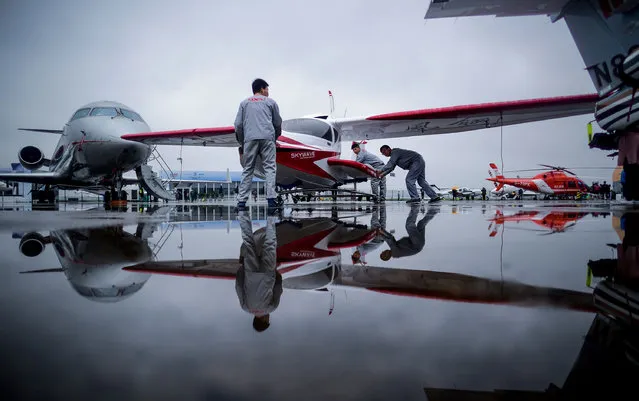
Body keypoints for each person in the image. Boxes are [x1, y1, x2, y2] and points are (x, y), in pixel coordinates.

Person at [234, 78, 282, 210]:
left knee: (248, 169)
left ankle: (241, 201)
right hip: (267, 138)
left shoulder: (244, 103)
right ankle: (271, 199)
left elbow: (238, 125)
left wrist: (243, 141)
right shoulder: (271, 103)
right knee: (270, 168)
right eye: (267, 89)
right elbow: (277, 123)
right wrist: (274, 137)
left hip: (250, 139)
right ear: (262, 89)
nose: (268, 92)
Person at [235, 210, 282, 333]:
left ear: (265, 321)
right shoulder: (245, 307)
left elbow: (278, 288)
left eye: (268, 320)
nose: (269, 318)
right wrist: (241, 268)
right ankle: (242, 213)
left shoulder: (271, 308)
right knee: (248, 242)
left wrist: (276, 273)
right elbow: (239, 286)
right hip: (250, 273)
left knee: (270, 243)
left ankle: (272, 214)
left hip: (268, 274)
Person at [377, 145, 442, 204]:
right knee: (421, 181)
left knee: (409, 179)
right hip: (419, 161)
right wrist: (383, 174)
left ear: (389, 149)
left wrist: (380, 171)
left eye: (384, 151)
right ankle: (435, 197)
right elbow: (391, 168)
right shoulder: (394, 156)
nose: (384, 154)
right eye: (383, 153)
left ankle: (415, 198)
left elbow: (390, 164)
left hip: (416, 161)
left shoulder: (395, 152)